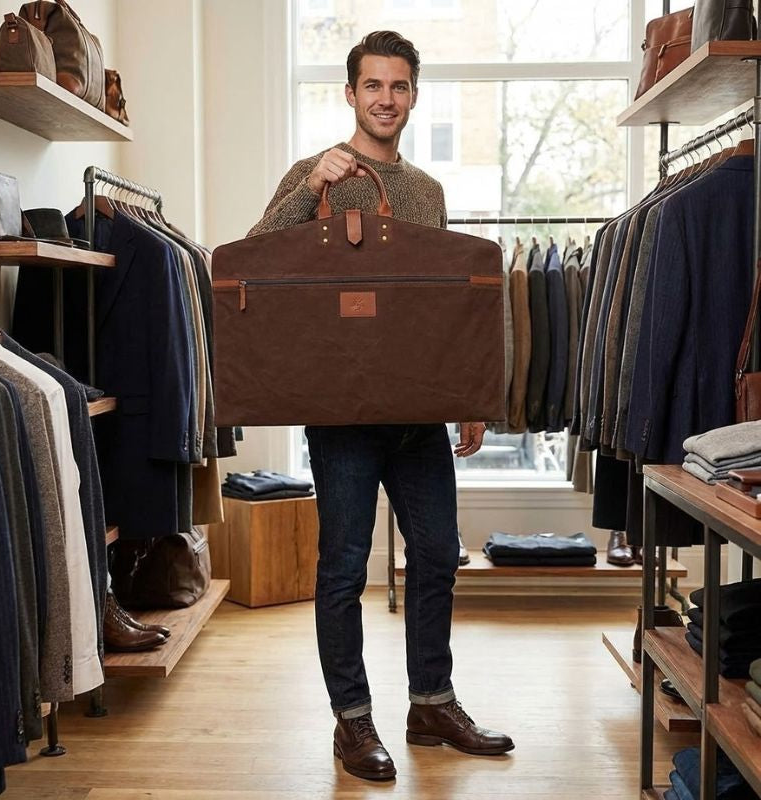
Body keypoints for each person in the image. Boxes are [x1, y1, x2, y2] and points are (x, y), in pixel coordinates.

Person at [248, 30, 514, 782]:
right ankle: (352, 721)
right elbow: (251, 262)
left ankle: (431, 704)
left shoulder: (426, 192)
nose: (386, 99)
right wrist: (309, 187)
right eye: (373, 85)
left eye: (399, 86)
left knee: (436, 555)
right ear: (350, 93)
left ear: (414, 96)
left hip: (417, 410)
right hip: (341, 417)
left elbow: (439, 306)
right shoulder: (315, 175)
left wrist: (466, 393)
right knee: (343, 569)